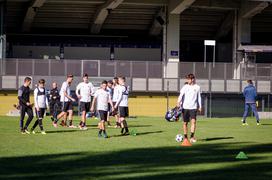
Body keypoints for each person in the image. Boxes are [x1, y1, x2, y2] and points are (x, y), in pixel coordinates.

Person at [177, 74, 201, 144]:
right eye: (187, 79)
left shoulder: (197, 87)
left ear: (193, 79)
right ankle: (185, 137)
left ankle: (192, 137)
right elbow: (181, 95)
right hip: (185, 108)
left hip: (193, 107)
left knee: (193, 122)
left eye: (189, 79)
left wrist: (200, 106)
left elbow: (199, 97)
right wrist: (178, 102)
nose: (188, 80)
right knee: (185, 123)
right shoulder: (185, 86)